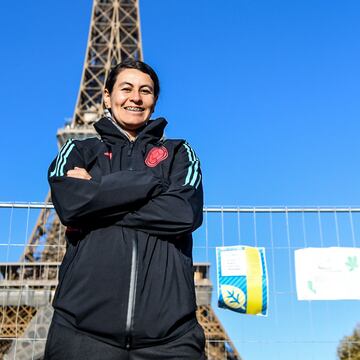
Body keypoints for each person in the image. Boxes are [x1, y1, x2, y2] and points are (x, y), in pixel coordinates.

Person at [44, 59, 205, 359]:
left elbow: (184, 212)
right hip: (80, 333)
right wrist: (152, 185)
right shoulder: (78, 150)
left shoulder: (179, 152)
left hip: (170, 338)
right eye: (126, 88)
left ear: (154, 101)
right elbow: (71, 205)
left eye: (146, 90)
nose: (135, 97)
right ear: (107, 96)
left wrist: (100, 194)